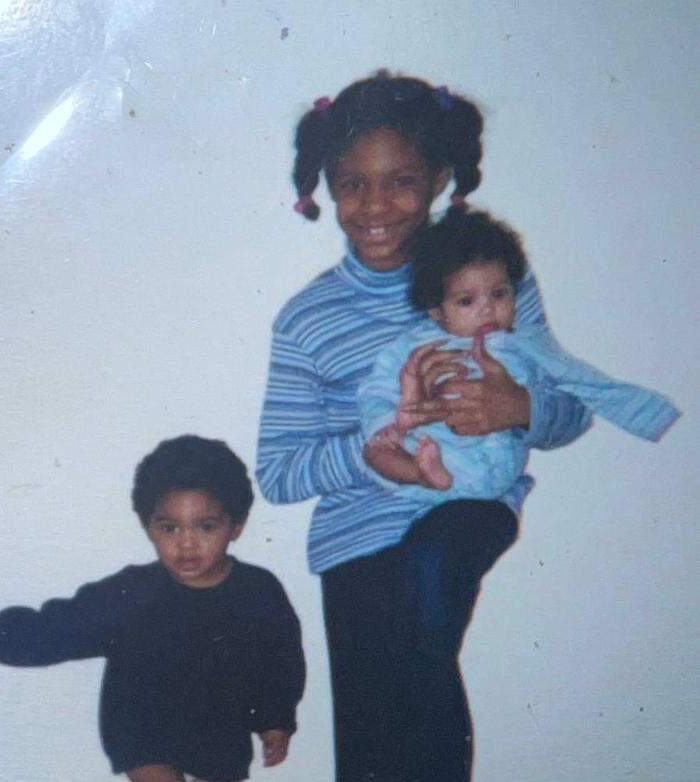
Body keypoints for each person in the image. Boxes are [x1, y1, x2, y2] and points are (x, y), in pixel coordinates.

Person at [256, 71, 592, 782]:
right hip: (358, 544)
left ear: (440, 178)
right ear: (326, 186)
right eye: (351, 184)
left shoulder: (494, 282)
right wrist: (374, 450)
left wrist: (520, 409)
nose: (375, 205)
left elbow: (573, 408)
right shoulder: (307, 320)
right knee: (378, 742)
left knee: (422, 620)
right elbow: (279, 473)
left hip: (462, 515)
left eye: (402, 181)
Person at [0, 435, 305, 782]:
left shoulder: (258, 590)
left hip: (220, 728)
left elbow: (281, 659)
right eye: (169, 527)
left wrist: (276, 720)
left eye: (206, 526)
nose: (186, 542)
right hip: (145, 731)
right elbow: (59, 628)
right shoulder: (132, 592)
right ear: (148, 526)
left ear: (236, 527)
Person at [359, 206, 680, 504]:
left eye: (499, 294)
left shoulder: (526, 344)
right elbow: (377, 389)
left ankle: (431, 476)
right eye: (467, 301)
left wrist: (524, 405)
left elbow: (580, 384)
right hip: (425, 456)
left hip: (490, 466)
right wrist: (386, 425)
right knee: (375, 452)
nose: (487, 308)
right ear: (438, 312)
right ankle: (424, 474)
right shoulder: (414, 346)